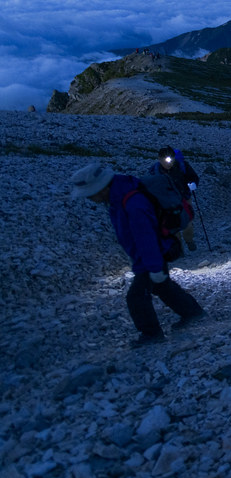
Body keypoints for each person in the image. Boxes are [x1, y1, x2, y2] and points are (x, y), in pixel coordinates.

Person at [71, 163, 204, 348]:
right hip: (149, 255)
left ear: (101, 189)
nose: (90, 199)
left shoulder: (132, 202)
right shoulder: (120, 196)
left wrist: (154, 267)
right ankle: (193, 314)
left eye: (90, 194)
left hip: (150, 257)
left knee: (136, 297)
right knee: (162, 287)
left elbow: (146, 238)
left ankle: (152, 334)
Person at [150, 146, 199, 251]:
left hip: (183, 198)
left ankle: (189, 240)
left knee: (187, 222)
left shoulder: (182, 166)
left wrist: (192, 184)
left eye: (171, 159)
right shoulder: (154, 170)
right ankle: (179, 248)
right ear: (159, 159)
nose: (169, 163)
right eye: (165, 160)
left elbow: (193, 177)